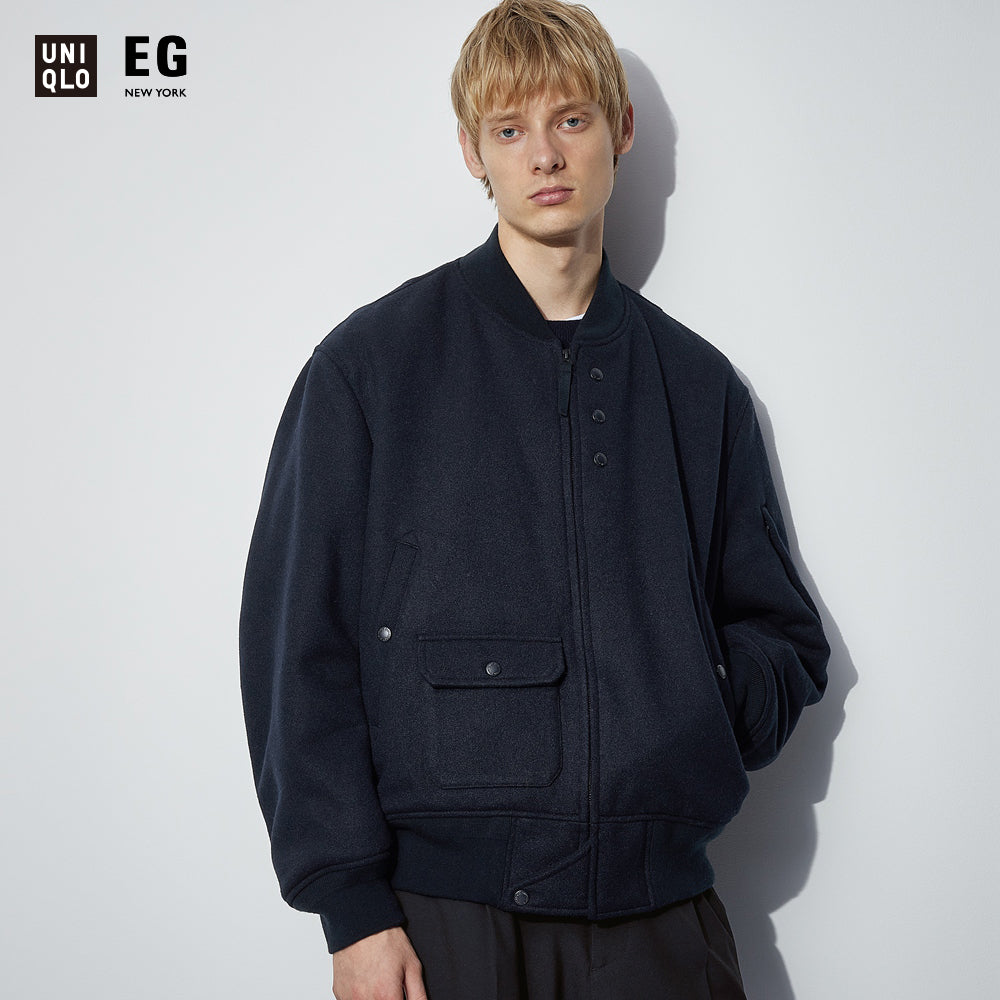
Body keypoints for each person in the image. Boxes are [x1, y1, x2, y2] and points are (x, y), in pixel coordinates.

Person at [239, 1, 831, 997]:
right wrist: (352, 909)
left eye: (571, 120)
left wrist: (686, 711)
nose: (544, 155)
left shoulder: (699, 388)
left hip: (661, 920)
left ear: (620, 130)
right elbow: (299, 647)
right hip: (446, 924)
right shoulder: (370, 368)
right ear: (471, 152)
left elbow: (783, 635)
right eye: (509, 129)